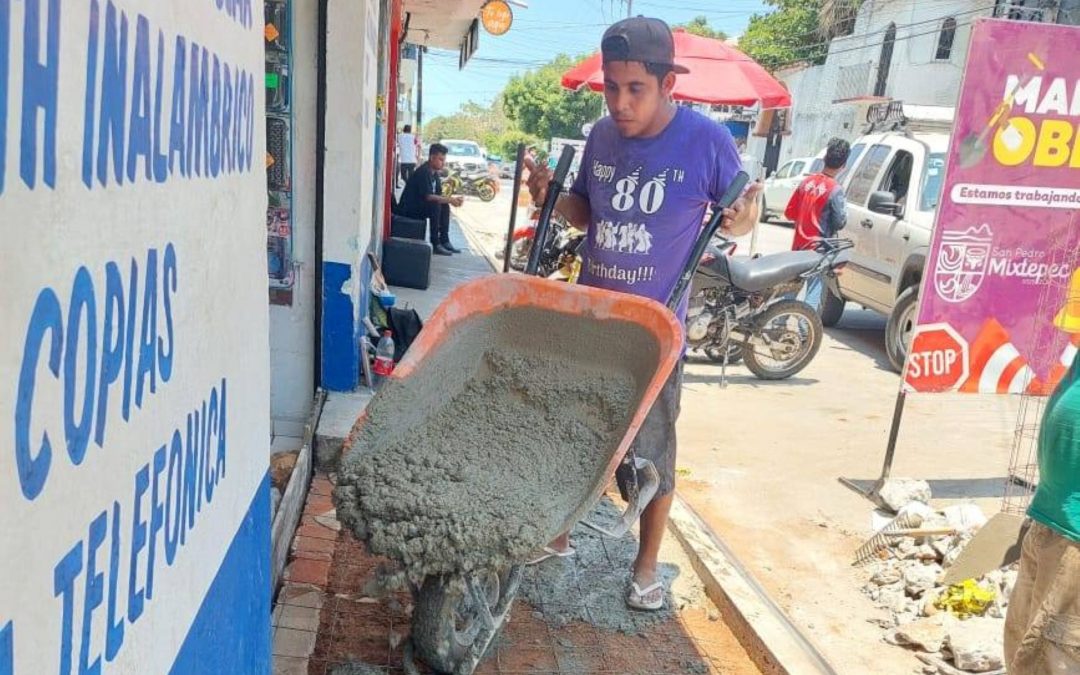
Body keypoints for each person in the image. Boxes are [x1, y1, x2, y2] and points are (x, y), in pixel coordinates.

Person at [525, 16, 759, 612]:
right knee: (574, 431)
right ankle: (558, 529)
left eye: (636, 89)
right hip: (595, 318)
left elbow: (748, 204)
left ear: (666, 85)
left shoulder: (706, 141)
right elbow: (586, 214)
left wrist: (742, 218)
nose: (621, 103)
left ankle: (647, 565)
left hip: (655, 332)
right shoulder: (601, 137)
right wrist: (547, 194)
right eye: (612, 87)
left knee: (653, 454)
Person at [1004, 318, 1080, 672]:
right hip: (1048, 521)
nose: (1071, 332)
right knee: (1021, 641)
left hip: (1074, 541)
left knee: (1053, 657)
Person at [784, 138, 850, 313]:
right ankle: (806, 333)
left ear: (824, 158)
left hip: (798, 247)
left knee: (790, 289)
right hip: (818, 250)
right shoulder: (835, 189)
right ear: (844, 165)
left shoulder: (806, 182)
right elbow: (839, 222)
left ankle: (777, 324)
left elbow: (789, 213)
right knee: (813, 292)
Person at [399, 143, 464, 256]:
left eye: (444, 160)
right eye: (440, 159)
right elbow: (428, 196)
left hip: (420, 206)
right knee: (435, 205)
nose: (443, 163)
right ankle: (435, 243)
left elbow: (439, 194)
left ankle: (445, 240)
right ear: (432, 157)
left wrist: (452, 200)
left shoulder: (435, 174)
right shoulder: (423, 172)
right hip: (409, 209)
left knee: (444, 205)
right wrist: (450, 199)